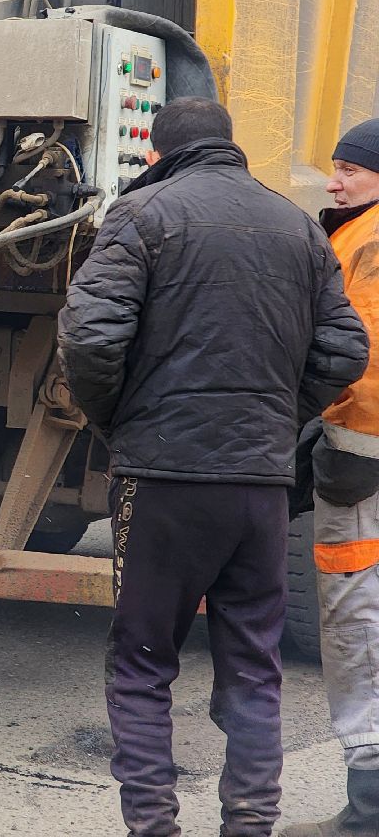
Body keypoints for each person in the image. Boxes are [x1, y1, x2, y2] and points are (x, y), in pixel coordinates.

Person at [57, 97, 367, 837]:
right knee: (253, 662)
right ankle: (251, 822)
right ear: (230, 148)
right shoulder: (296, 226)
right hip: (258, 484)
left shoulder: (142, 217)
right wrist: (276, 421)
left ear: (158, 155)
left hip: (163, 480)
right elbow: (344, 353)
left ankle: (154, 826)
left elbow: (91, 342)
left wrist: (118, 423)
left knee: (141, 661)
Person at [282, 119, 379, 837]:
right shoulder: (354, 233)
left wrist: (323, 425)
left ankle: (370, 806)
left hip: (362, 458)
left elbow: (365, 359)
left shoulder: (368, 243)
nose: (334, 180)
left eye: (350, 169)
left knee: (355, 619)